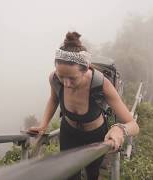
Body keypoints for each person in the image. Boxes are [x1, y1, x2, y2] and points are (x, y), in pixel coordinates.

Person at [29, 31, 139, 180]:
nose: (66, 84)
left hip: (95, 136)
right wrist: (43, 125)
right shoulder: (54, 79)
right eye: (62, 77)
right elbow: (54, 99)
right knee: (69, 174)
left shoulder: (101, 84)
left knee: (92, 173)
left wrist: (120, 129)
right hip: (68, 132)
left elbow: (133, 125)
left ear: (86, 69)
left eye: (72, 78)